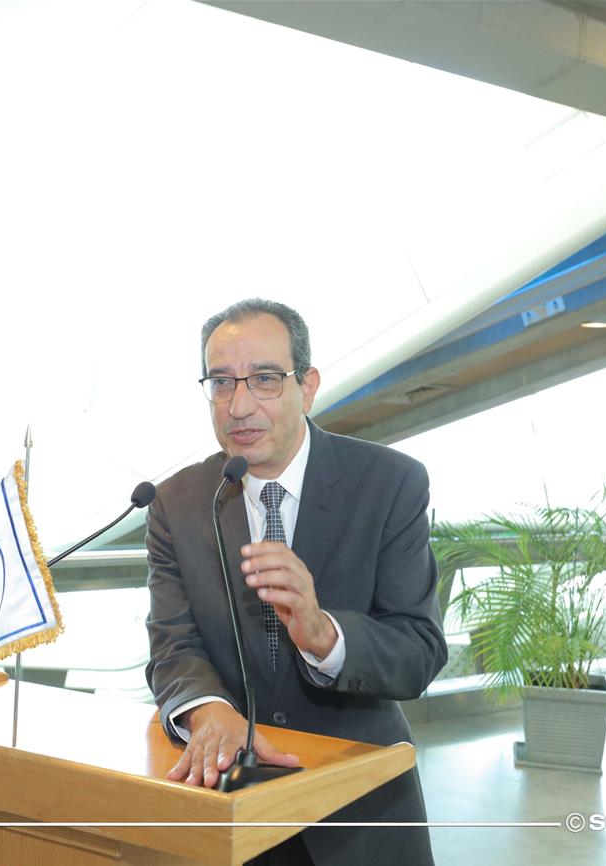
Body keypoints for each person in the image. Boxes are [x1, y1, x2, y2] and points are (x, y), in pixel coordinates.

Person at [145, 298, 447, 865]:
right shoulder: (175, 503)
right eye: (221, 382)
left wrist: (325, 635)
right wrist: (208, 709)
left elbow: (420, 651)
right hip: (231, 805)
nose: (239, 406)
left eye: (264, 379)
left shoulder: (390, 483)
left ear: (307, 387)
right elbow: (172, 645)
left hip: (360, 810)